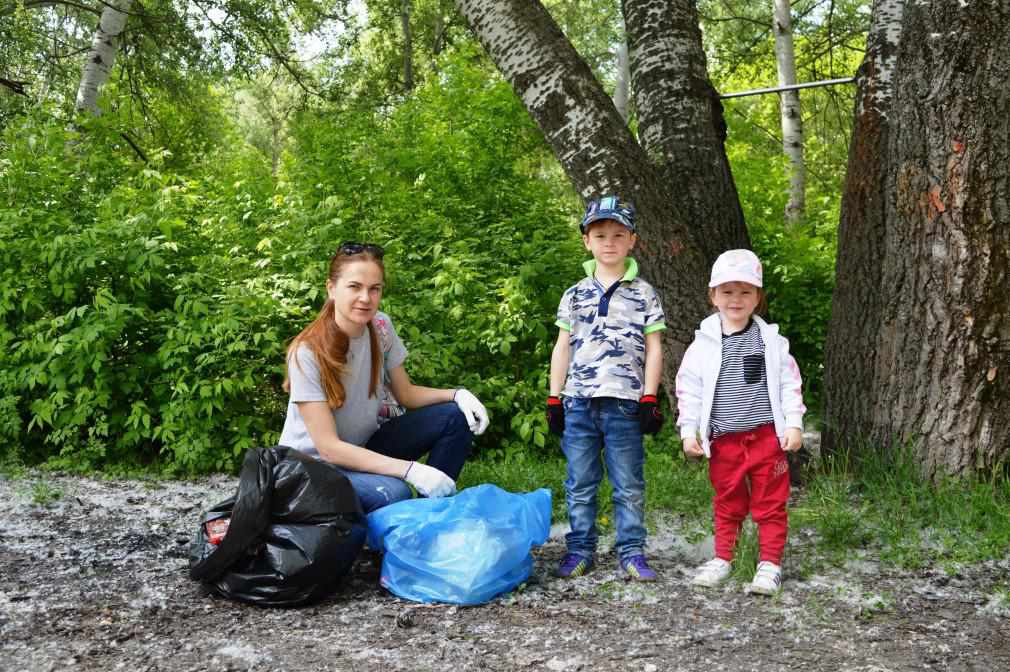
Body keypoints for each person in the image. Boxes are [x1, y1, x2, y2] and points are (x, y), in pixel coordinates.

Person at [279, 242, 490, 513]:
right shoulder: (307, 351)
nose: (365, 298)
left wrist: (458, 394)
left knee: (453, 416)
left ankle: (428, 522)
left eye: (374, 288)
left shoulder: (380, 327)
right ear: (331, 289)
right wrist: (411, 471)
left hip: (362, 447)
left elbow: (406, 394)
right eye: (354, 287)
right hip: (313, 469)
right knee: (395, 492)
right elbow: (329, 448)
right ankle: (389, 532)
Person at [546, 195, 667, 582]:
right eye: (600, 235)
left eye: (618, 234)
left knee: (628, 483)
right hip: (579, 402)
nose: (609, 242)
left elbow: (654, 347)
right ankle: (580, 548)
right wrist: (554, 396)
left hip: (626, 404)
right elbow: (562, 346)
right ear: (587, 241)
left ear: (632, 239)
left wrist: (650, 396)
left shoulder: (644, 293)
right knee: (580, 482)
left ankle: (631, 550)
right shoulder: (574, 293)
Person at [675, 248, 806, 595]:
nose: (736, 299)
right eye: (728, 291)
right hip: (725, 442)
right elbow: (688, 388)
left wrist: (793, 423)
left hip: (765, 438)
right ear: (713, 295)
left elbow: (789, 383)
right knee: (727, 499)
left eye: (745, 291)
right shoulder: (701, 345)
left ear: (757, 297)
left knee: (770, 502)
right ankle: (723, 557)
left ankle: (770, 564)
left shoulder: (771, 342)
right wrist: (689, 430)